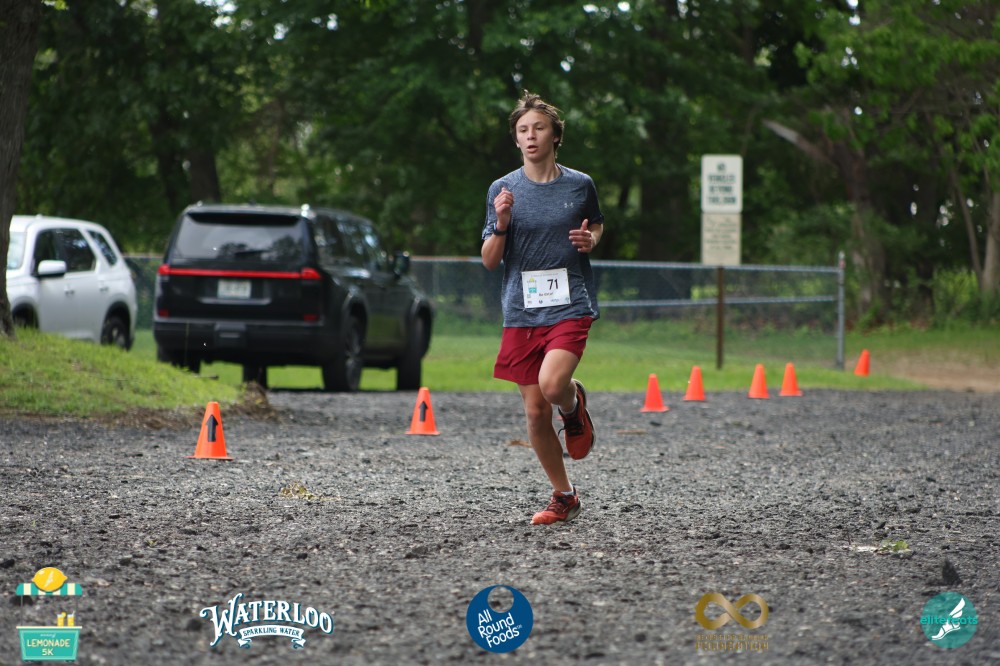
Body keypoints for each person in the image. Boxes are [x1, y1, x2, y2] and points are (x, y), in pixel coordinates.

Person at [481, 91, 605, 525]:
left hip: (570, 302)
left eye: (538, 128)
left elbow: (596, 224)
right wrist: (501, 223)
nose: (531, 136)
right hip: (522, 309)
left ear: (555, 135)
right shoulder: (502, 189)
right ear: (516, 139)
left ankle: (572, 405)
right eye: (523, 130)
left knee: (553, 386)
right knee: (535, 411)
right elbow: (490, 260)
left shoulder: (580, 184)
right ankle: (564, 495)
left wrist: (591, 240)